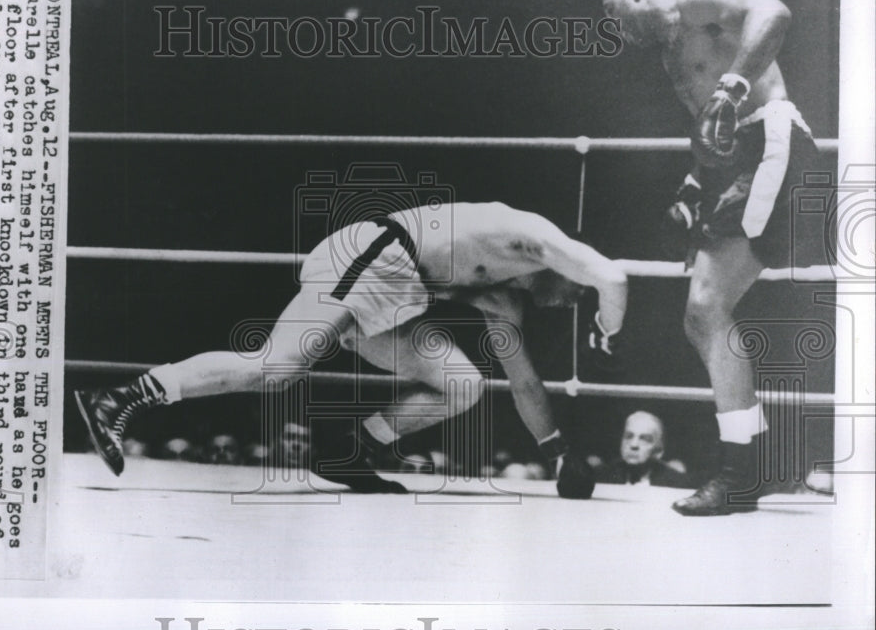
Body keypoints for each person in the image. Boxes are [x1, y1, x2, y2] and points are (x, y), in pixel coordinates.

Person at [75, 202, 628, 496]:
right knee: (276, 368)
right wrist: (607, 325)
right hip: (373, 257)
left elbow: (524, 381)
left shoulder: (508, 299)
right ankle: (121, 397)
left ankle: (351, 450)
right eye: (576, 295)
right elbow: (613, 278)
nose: (568, 303)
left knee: (462, 384)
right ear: (567, 268)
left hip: (398, 294)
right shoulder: (527, 234)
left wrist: (557, 454)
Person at [602, 0, 819, 515]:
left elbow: (775, 12)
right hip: (736, 165)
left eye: (616, 13)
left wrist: (730, 87)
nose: (618, 30)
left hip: (772, 144)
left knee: (706, 305)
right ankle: (752, 466)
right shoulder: (672, 57)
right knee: (701, 319)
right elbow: (710, 135)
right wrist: (693, 186)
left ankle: (740, 474)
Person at [596, 410, 692, 488]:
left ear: (658, 450)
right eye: (629, 436)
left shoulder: (677, 483)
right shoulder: (600, 477)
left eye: (644, 439)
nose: (634, 445)